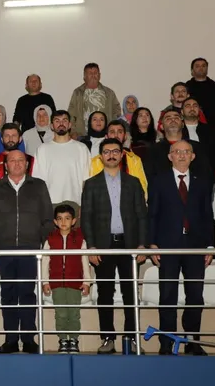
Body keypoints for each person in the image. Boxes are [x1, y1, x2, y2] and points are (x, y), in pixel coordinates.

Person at [147, 140, 215, 356]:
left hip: (196, 247)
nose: (182, 155)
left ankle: (192, 340)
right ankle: (167, 342)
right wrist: (152, 243)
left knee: (195, 296)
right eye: (177, 152)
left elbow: (208, 215)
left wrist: (210, 245)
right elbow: (152, 214)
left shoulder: (202, 182)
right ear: (170, 156)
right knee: (167, 295)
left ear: (193, 156)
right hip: (167, 247)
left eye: (186, 152)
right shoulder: (159, 181)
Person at [81, 138, 147, 354]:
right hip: (103, 246)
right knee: (105, 294)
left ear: (121, 155)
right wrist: (91, 246)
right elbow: (86, 218)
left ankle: (132, 338)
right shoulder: (91, 184)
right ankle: (107, 338)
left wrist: (142, 245)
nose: (111, 155)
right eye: (107, 151)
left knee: (131, 294)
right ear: (101, 156)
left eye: (115, 151)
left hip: (129, 246)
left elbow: (142, 215)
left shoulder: (133, 182)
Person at [0, 150, 53, 354]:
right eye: (12, 160)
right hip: (3, 249)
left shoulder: (38, 186)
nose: (16, 164)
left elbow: (48, 218)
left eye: (20, 160)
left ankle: (29, 339)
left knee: (27, 294)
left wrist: (38, 240)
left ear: (27, 164)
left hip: (29, 249)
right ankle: (11, 339)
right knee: (7, 294)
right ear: (5, 165)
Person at [40, 204, 91, 354]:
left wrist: (87, 282)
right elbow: (45, 261)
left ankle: (73, 339)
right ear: (55, 222)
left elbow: (84, 261)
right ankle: (63, 339)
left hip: (75, 283)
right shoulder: (50, 239)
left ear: (74, 221)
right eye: (60, 219)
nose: (63, 222)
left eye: (67, 218)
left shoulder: (80, 240)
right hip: (57, 284)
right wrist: (45, 281)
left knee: (74, 313)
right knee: (61, 313)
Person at [32, 110, 91, 208]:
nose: (61, 123)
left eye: (64, 120)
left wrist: (84, 205)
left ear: (69, 125)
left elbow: (87, 180)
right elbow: (38, 181)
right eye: (57, 121)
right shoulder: (42, 149)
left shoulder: (82, 148)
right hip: (51, 204)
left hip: (76, 203)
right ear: (51, 126)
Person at [143, 110, 211, 180]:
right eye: (168, 118)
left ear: (183, 124)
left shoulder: (197, 147)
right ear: (162, 126)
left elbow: (206, 173)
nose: (173, 120)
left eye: (176, 118)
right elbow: (149, 176)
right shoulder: (153, 150)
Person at [90, 120, 148, 198]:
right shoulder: (96, 161)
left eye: (120, 132)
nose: (116, 135)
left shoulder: (134, 160)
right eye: (112, 132)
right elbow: (92, 190)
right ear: (106, 137)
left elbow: (142, 187)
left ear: (125, 136)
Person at [67, 63, 121, 137]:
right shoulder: (78, 93)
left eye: (95, 73)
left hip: (105, 136)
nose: (93, 75)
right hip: (83, 135)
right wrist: (73, 131)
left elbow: (117, 111)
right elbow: (71, 114)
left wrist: (112, 129)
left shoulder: (109, 93)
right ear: (84, 76)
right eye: (90, 73)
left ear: (99, 75)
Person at [185, 58, 215, 126]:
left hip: (214, 123)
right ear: (192, 70)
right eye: (197, 66)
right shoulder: (187, 86)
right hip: (192, 122)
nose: (201, 68)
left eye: (203, 66)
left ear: (207, 69)